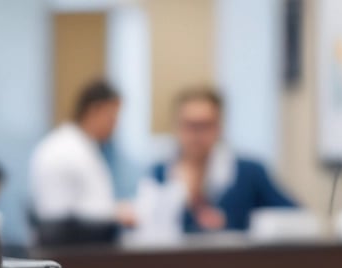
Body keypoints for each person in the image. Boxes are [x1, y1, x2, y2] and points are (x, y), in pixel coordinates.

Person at [133, 86, 295, 237]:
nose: (196, 134)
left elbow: (293, 216)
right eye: (189, 125)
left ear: (219, 127)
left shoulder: (249, 173)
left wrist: (235, 223)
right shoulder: (160, 173)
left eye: (205, 125)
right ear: (176, 127)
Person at [29, 79, 133, 245]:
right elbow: (59, 216)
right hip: (70, 249)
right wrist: (115, 213)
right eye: (112, 117)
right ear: (95, 110)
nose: (115, 126)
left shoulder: (82, 146)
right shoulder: (64, 150)